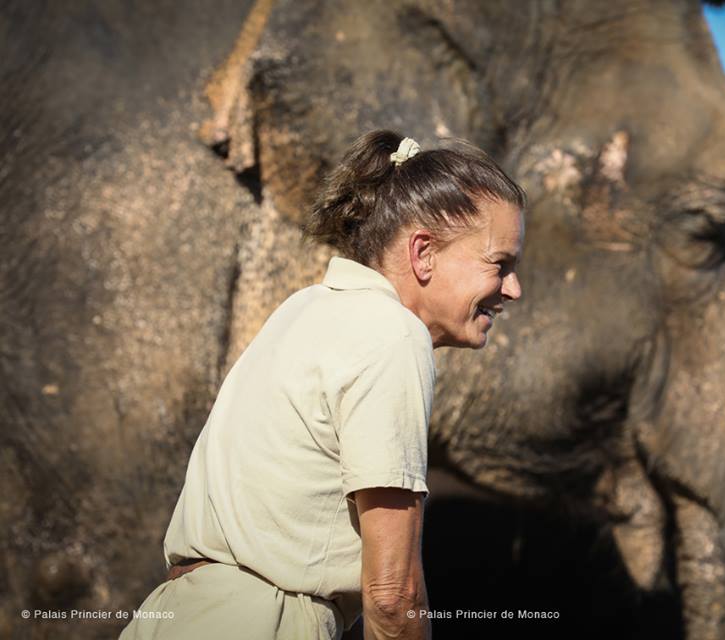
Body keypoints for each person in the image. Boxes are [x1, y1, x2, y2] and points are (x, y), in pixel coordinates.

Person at [119, 130, 525, 640]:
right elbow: (392, 594)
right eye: (500, 264)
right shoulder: (393, 334)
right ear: (423, 253)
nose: (513, 289)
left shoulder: (305, 308)